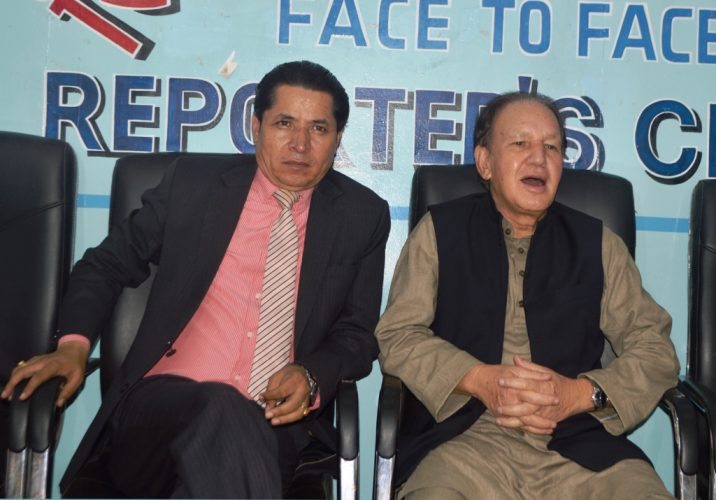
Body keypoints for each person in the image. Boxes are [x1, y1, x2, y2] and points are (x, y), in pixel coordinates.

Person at [2, 60, 390, 498]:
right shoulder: (194, 186)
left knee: (221, 456)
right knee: (222, 407)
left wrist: (312, 375)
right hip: (159, 417)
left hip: (274, 426)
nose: (300, 144)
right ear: (256, 126)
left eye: (318, 129)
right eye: (284, 123)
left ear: (337, 139)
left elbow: (356, 335)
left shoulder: (362, 216)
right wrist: (72, 347)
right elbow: (106, 264)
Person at [375, 91, 679, 499]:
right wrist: (479, 379)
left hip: (580, 443)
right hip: (464, 442)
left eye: (552, 147)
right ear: (485, 162)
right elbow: (397, 335)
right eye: (520, 143)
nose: (539, 158)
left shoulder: (598, 244)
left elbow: (656, 351)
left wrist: (580, 393)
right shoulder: (439, 231)